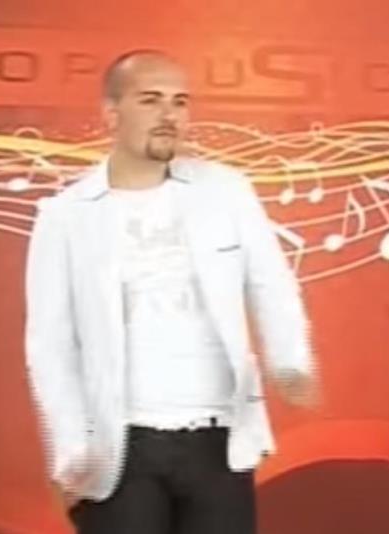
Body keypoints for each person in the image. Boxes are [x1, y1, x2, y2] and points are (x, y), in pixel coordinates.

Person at [25, 49, 318, 534]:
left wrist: (290, 360)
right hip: (121, 449)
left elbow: (271, 283)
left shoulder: (225, 192)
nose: (169, 115)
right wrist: (71, 446)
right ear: (111, 114)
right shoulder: (66, 216)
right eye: (151, 100)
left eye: (180, 102)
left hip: (219, 442)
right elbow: (50, 345)